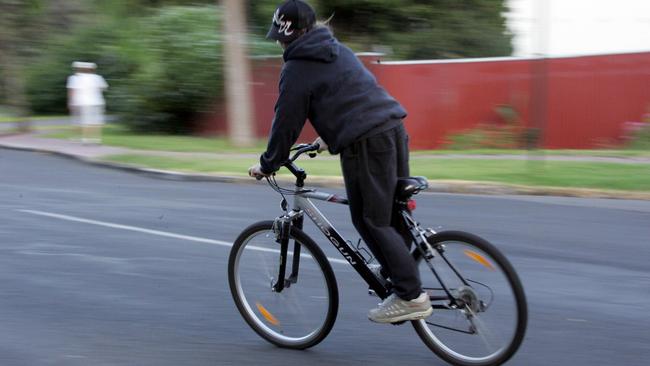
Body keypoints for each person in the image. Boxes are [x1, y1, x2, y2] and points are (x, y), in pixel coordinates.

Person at [248, 0, 432, 324]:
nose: (280, 42)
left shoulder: (297, 67)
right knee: (389, 213)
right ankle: (397, 276)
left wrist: (268, 164)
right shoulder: (337, 50)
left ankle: (409, 295)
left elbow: (286, 122)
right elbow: (350, 95)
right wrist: (327, 137)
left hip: (366, 144)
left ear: (291, 35)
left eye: (281, 36)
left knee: (370, 219)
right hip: (392, 128)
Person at [67, 62, 108, 145]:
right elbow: (104, 88)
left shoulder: (79, 78)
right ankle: (97, 139)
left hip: (85, 102)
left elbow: (74, 90)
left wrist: (71, 101)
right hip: (98, 101)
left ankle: (86, 139)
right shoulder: (98, 77)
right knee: (97, 121)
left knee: (86, 121)